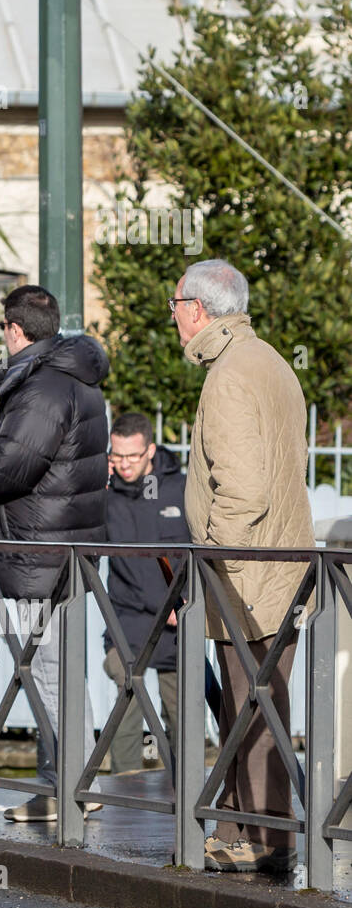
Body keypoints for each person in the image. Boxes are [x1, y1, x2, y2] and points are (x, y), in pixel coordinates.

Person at [173, 259, 313, 874]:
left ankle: (261, 839)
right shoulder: (273, 362)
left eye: (176, 306)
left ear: (199, 310)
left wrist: (208, 552)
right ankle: (248, 831)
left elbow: (245, 492)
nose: (174, 318)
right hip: (279, 566)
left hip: (245, 573)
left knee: (250, 706)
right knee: (255, 705)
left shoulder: (228, 375)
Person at [0, 286, 109, 823]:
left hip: (37, 549)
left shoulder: (44, 388)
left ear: (14, 329)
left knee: (46, 669)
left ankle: (68, 787)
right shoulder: (74, 377)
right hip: (66, 547)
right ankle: (78, 780)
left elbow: (12, 468)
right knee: (60, 669)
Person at [103, 411, 187, 774]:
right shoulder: (103, 493)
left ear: (150, 450)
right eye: (116, 456)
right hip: (128, 618)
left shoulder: (181, 487)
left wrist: (187, 601)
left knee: (182, 711)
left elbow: (201, 548)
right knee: (125, 682)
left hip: (177, 617)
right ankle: (126, 781)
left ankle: (186, 787)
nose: (124, 465)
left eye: (132, 457)